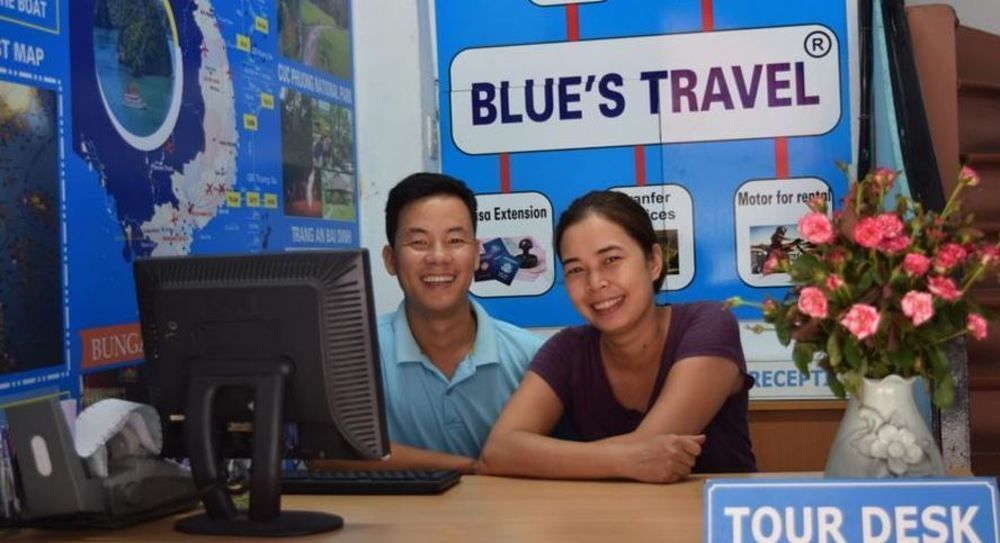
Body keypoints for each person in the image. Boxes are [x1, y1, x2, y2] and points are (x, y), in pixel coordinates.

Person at [480, 190, 756, 483]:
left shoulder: (709, 324)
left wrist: (553, 460)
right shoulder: (567, 349)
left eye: (611, 259)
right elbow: (498, 451)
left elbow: (654, 444)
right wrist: (626, 460)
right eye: (576, 269)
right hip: (613, 523)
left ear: (653, 262)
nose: (595, 282)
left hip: (720, 522)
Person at [314, 173, 544, 473]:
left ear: (476, 255)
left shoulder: (533, 357)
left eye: (455, 241)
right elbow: (328, 455)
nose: (438, 257)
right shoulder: (351, 352)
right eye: (419, 242)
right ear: (390, 260)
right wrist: (471, 467)